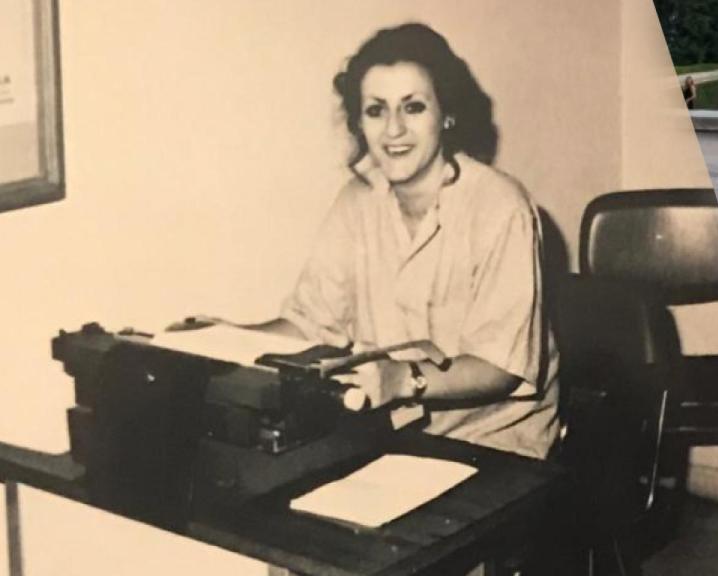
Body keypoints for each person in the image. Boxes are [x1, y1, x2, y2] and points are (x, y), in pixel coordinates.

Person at [190, 23, 560, 461]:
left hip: (495, 445)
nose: (394, 130)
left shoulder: (501, 208)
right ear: (359, 123)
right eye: (376, 110)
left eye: (414, 107)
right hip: (394, 439)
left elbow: (498, 366)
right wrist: (223, 338)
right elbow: (311, 324)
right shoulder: (356, 204)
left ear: (447, 114)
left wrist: (404, 380)